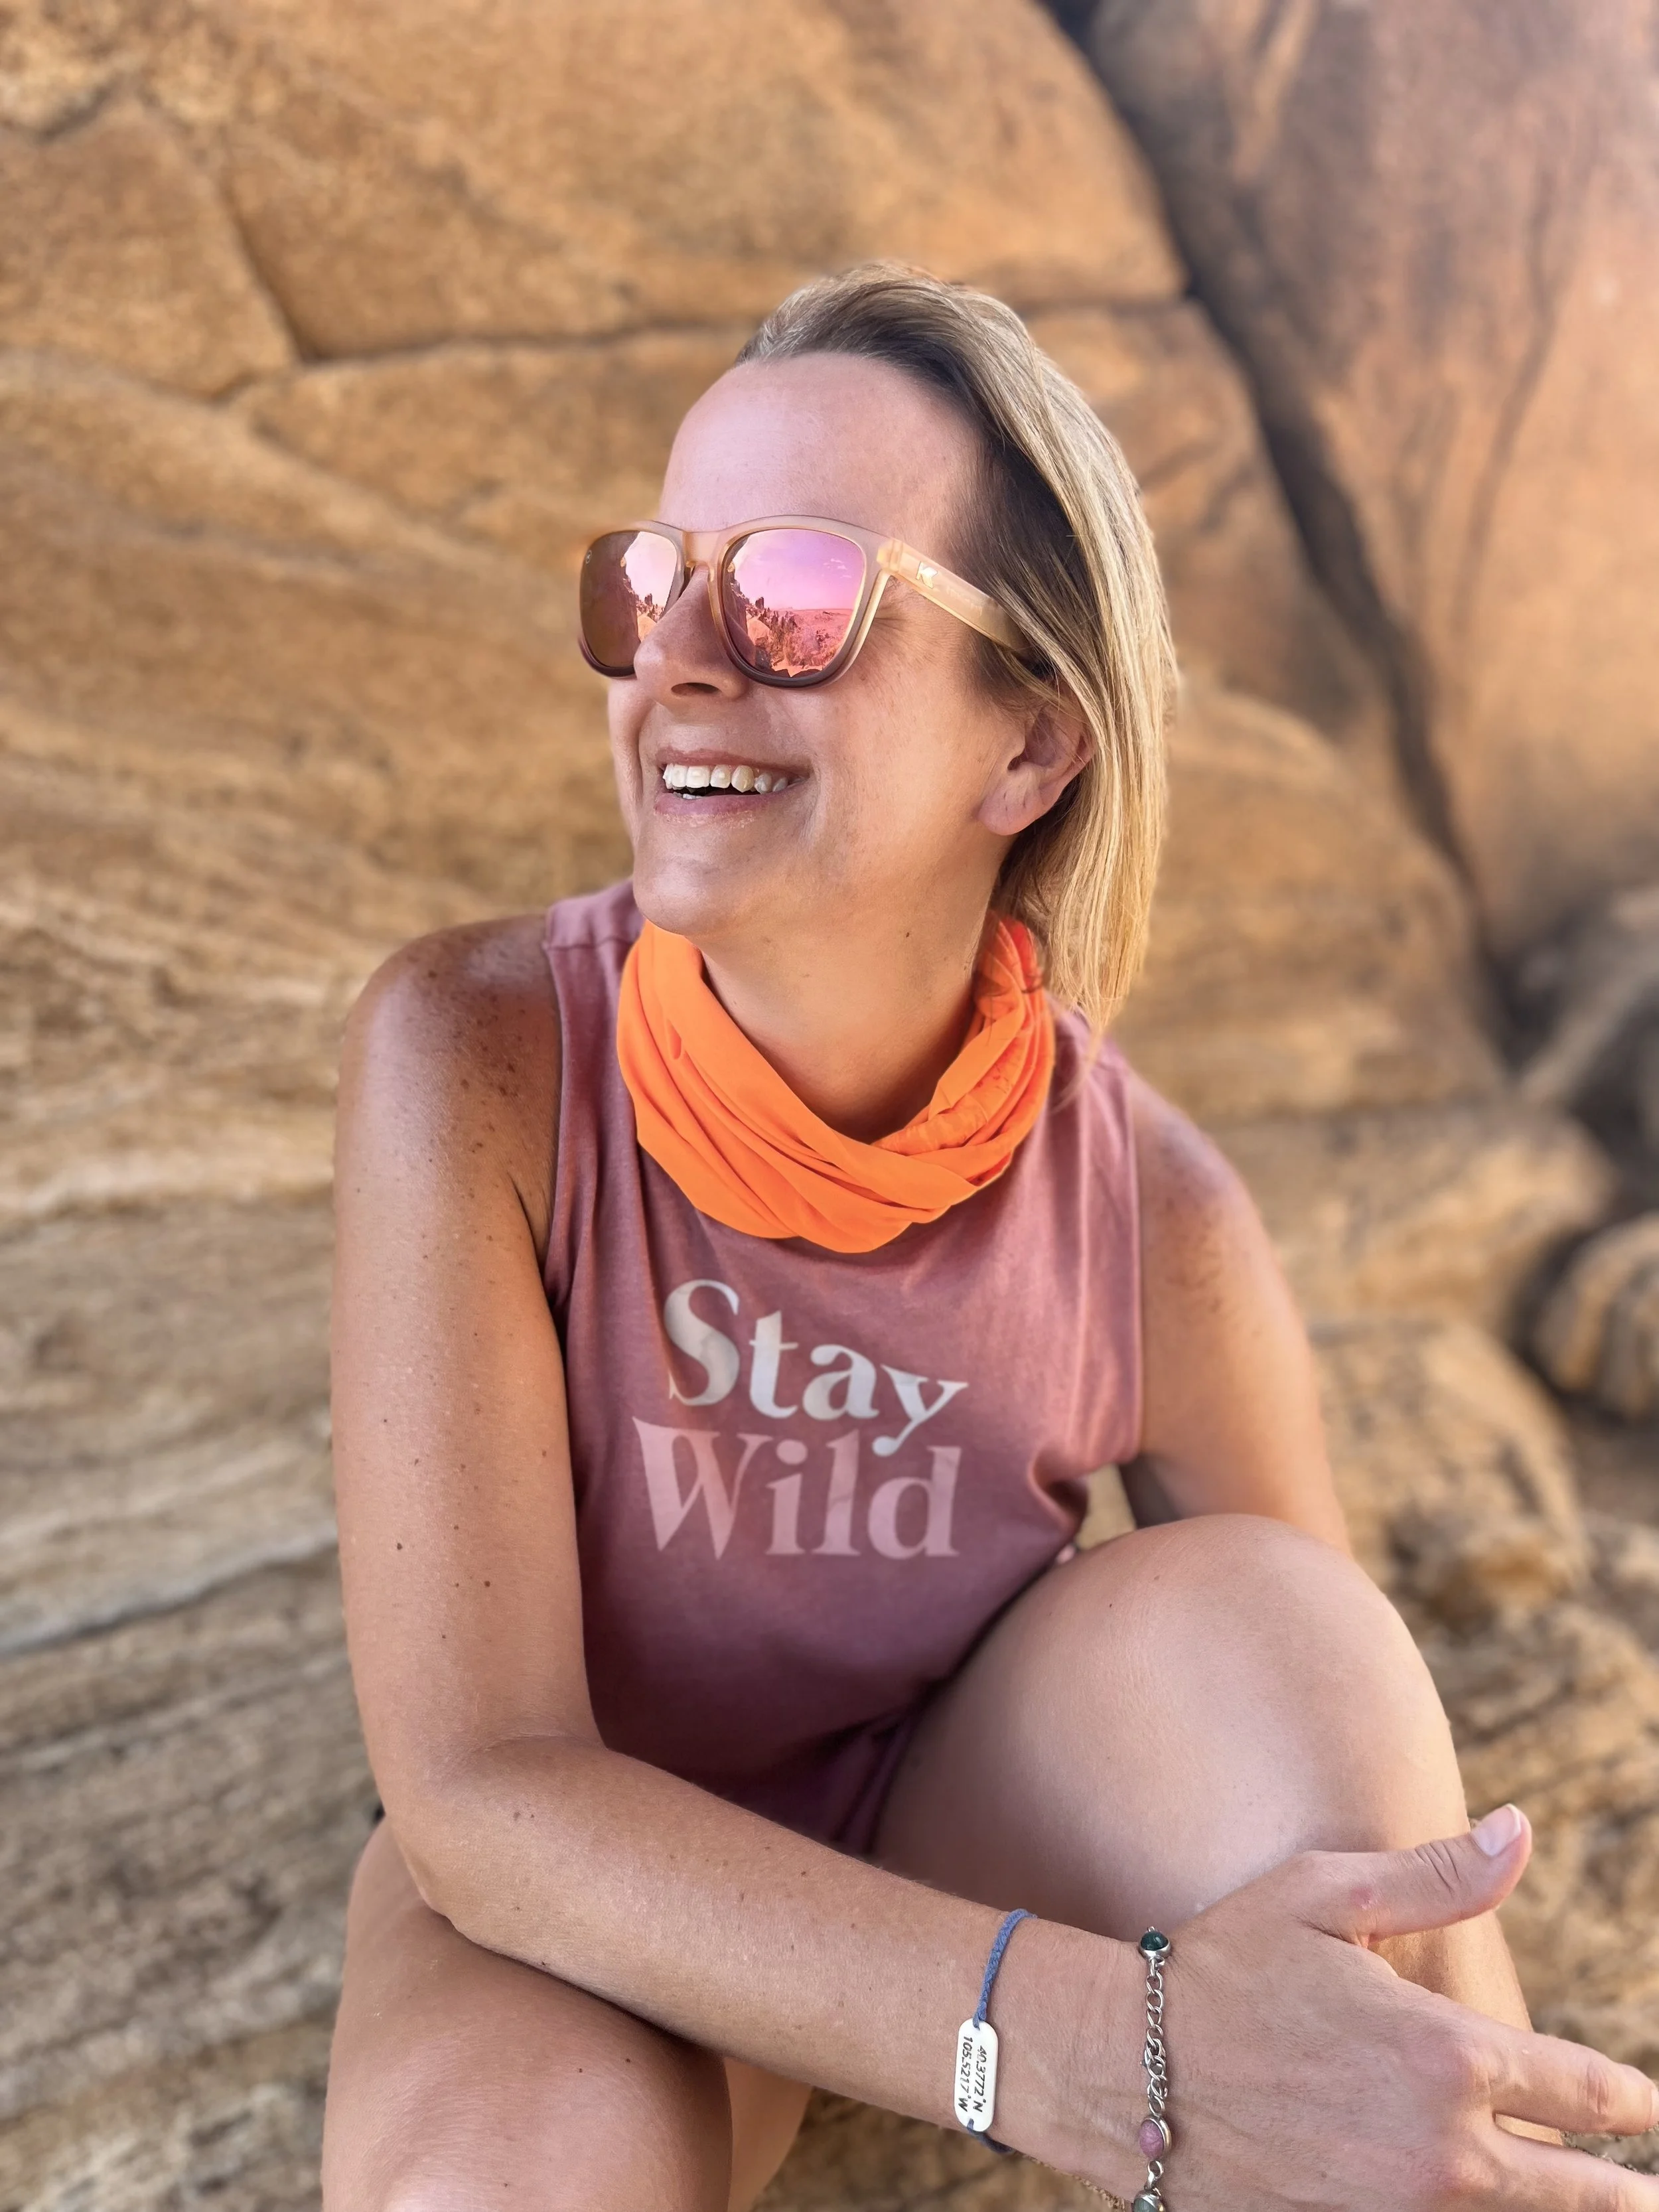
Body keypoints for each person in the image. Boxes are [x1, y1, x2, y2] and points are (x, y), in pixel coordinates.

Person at [321, 262, 1659, 2210]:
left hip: (948, 1814)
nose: (678, 660)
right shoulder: (474, 1056)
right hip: (588, 1885)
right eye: (646, 581)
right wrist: (1090, 2056)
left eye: (788, 597)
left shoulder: (1154, 1214)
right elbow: (479, 1794)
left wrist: (1348, 2070)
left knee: (1295, 1636)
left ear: (1023, 749)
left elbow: (1350, 1807)